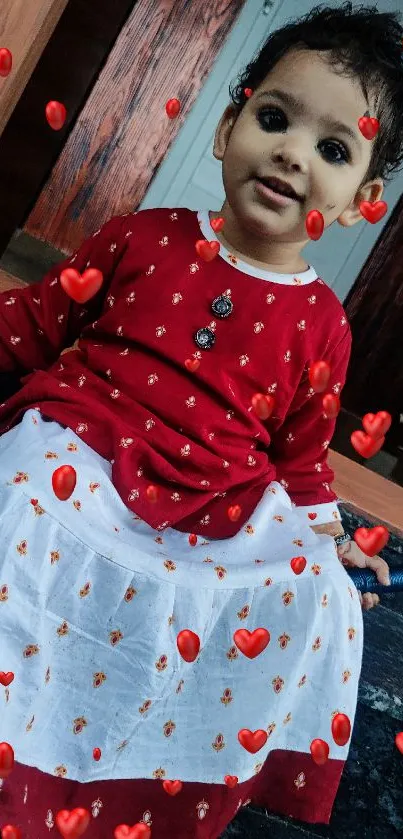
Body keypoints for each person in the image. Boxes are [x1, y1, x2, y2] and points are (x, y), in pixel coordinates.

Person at [0, 2, 400, 836]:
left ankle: (130, 763)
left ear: (362, 198)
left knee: (312, 588)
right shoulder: (142, 236)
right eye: (273, 117)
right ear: (226, 128)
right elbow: (38, 322)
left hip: (210, 501)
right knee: (25, 482)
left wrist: (325, 536)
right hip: (86, 441)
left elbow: (299, 456)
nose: (292, 152)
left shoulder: (322, 321)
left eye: (332, 148)